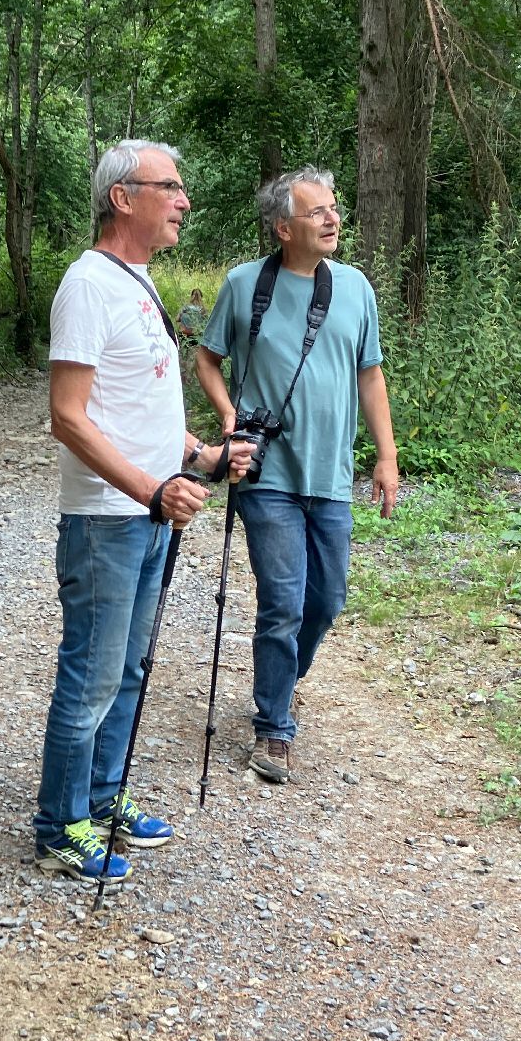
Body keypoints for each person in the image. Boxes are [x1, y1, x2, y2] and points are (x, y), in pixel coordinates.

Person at [34, 140, 254, 882]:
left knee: (128, 668)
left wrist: (201, 456)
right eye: (171, 187)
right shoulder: (88, 285)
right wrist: (148, 490)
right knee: (93, 675)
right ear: (123, 198)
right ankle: (60, 824)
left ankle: (102, 798)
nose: (184, 201)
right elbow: (68, 417)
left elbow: (136, 407)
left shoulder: (138, 281)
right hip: (108, 518)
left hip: (150, 513)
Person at [194, 166, 399, 784]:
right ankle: (274, 728)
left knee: (326, 601)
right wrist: (228, 415)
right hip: (266, 474)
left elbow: (370, 375)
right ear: (284, 228)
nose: (332, 219)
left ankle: (282, 679)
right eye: (317, 212)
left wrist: (386, 456)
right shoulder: (244, 285)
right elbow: (207, 359)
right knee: (282, 602)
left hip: (330, 475)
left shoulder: (355, 288)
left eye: (334, 208)